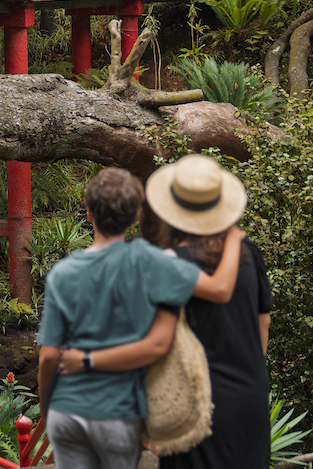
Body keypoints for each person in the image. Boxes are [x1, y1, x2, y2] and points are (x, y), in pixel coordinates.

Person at [60, 154, 271, 469]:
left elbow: (153, 344)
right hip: (250, 399)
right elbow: (262, 327)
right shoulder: (248, 254)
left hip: (194, 406)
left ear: (170, 212)